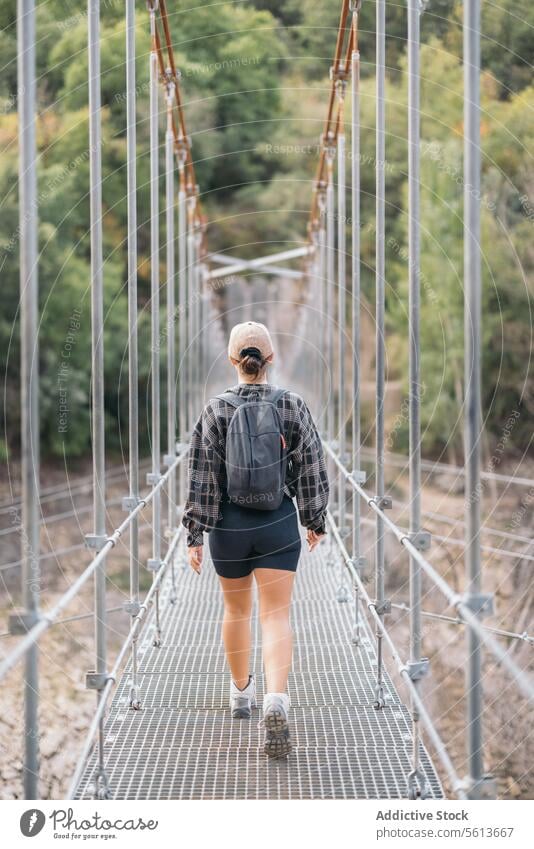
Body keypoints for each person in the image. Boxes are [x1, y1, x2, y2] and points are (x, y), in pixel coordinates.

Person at [182, 320, 329, 758]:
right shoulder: (293, 405)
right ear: (271, 359)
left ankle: (241, 694)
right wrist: (315, 521)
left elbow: (201, 477)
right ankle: (276, 701)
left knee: (235, 610)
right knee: (276, 616)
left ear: (232, 360)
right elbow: (312, 468)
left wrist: (194, 532)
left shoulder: (215, 410)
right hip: (277, 523)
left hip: (227, 528)